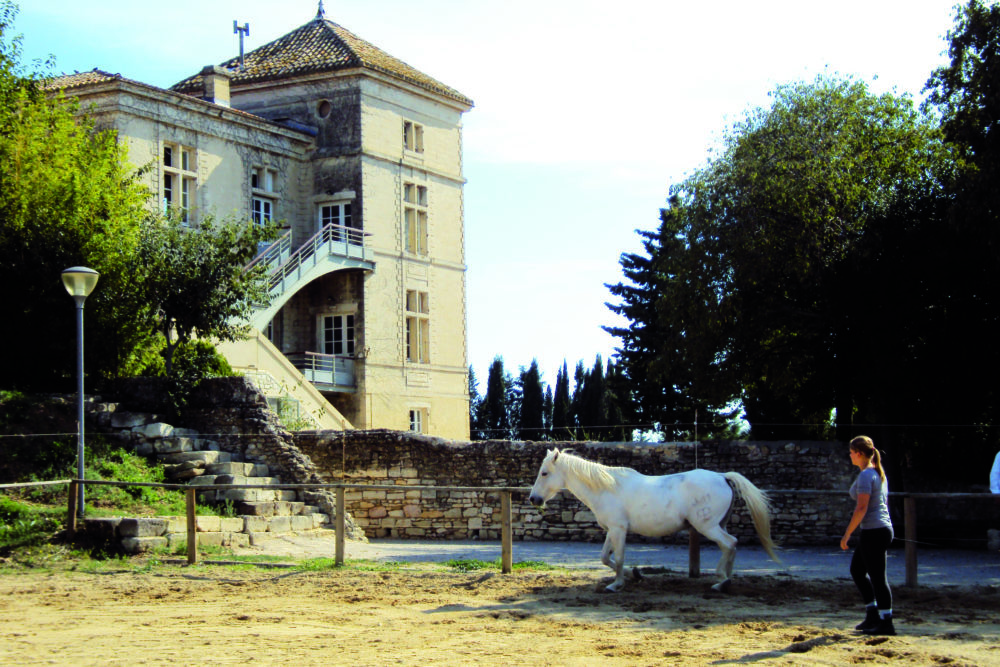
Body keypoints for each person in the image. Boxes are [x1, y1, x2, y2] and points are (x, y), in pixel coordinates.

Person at [840, 435, 895, 636]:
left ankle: (886, 621)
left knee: (878, 577)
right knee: (857, 570)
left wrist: (847, 534)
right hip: (875, 530)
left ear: (860, 454)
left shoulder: (866, 475)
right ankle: (873, 613)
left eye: (852, 452)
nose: (850, 456)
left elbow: (861, 507)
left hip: (874, 531)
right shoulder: (874, 473)